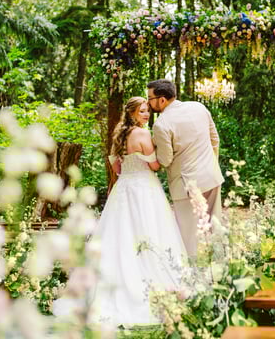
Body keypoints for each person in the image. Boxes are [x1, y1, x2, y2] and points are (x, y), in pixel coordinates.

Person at [53, 96, 186, 327]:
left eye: (147, 111)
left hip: (124, 188)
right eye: (142, 111)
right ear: (132, 113)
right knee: (149, 231)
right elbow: (155, 165)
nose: (146, 115)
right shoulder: (143, 135)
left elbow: (116, 167)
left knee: (116, 236)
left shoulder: (119, 136)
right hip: (144, 188)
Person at [147, 79, 224, 256]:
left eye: (150, 98)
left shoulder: (161, 124)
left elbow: (165, 160)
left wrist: (150, 149)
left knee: (189, 238)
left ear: (162, 100)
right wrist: (211, 164)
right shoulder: (198, 107)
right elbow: (215, 139)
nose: (149, 103)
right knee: (216, 228)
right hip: (211, 177)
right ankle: (222, 273)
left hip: (185, 185)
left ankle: (194, 278)